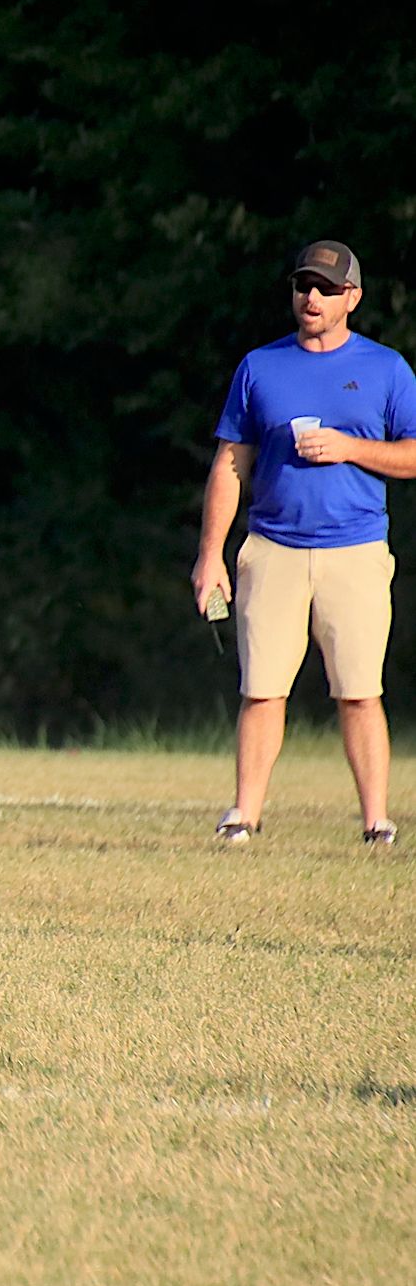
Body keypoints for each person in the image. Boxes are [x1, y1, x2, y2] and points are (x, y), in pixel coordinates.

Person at [191, 241, 416, 846]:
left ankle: (376, 821)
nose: (311, 297)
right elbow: (230, 464)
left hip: (355, 551)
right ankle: (244, 815)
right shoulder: (260, 367)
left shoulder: (387, 369)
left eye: (326, 288)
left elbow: (413, 453)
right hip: (272, 548)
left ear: (352, 298)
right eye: (303, 285)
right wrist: (212, 554)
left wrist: (350, 448)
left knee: (360, 692)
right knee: (262, 690)